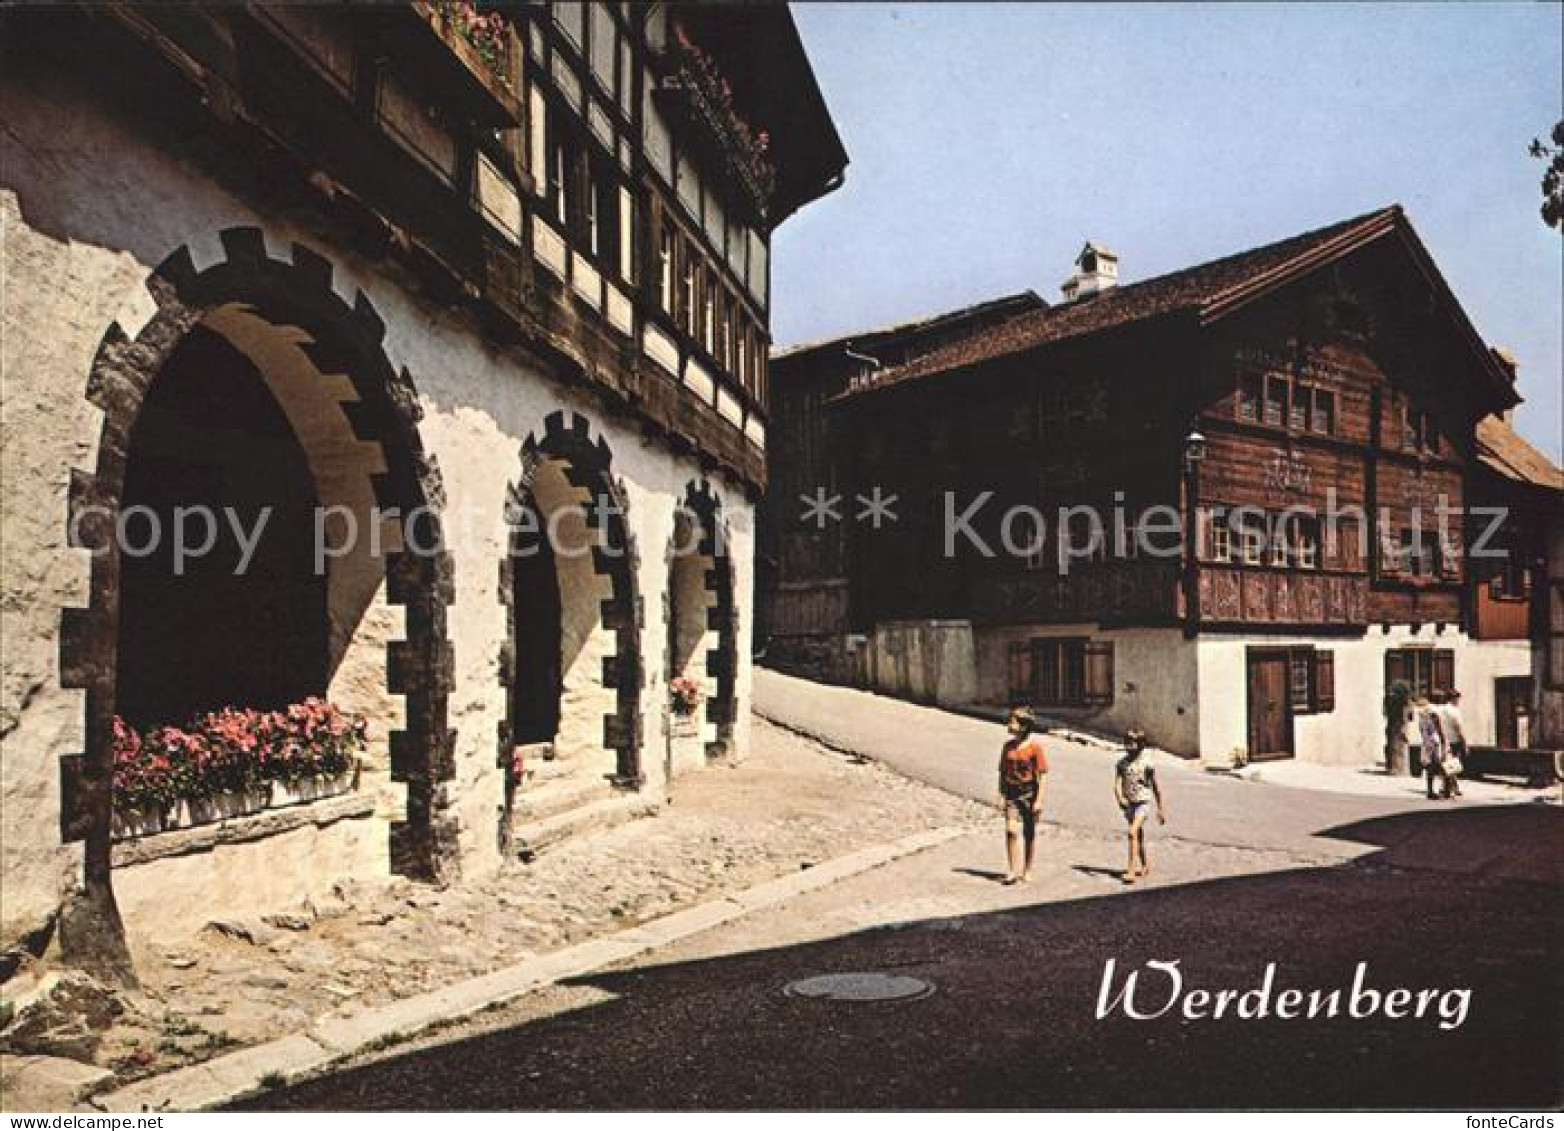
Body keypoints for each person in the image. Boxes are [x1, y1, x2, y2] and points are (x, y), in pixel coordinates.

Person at [996, 706, 1048, 885]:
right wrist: (1001, 794)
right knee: (1010, 830)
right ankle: (1012, 870)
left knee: (1029, 832)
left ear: (1024, 726)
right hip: (1012, 793)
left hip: (1029, 793)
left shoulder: (1035, 748)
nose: (1009, 724)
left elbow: (1042, 776)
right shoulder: (1007, 747)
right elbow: (1002, 772)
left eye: (1013, 721)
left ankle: (1028, 868)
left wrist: (1039, 800)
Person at [1113, 728, 1165, 884]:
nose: (1129, 745)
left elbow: (1156, 787)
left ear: (1141, 745)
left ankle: (1131, 870)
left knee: (1132, 832)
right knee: (1137, 837)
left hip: (1143, 803)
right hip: (1129, 804)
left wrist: (1160, 809)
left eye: (1133, 743)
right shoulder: (1121, 763)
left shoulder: (1147, 764)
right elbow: (1116, 784)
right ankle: (1145, 865)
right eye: (1127, 742)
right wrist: (1120, 798)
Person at [1432, 689, 1466, 799]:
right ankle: (1449, 788)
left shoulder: (1440, 709)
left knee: (1447, 764)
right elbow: (1459, 728)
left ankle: (1453, 787)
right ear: (1454, 699)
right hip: (1454, 740)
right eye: (1458, 699)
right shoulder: (1455, 711)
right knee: (1453, 765)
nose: (1458, 701)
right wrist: (1465, 742)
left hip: (1443, 740)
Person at [1416, 695, 1449, 800]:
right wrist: (1444, 741)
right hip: (1434, 743)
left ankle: (1431, 790)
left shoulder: (1422, 714)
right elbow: (1439, 728)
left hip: (1427, 743)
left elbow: (1422, 731)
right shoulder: (1433, 712)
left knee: (1431, 768)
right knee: (1442, 766)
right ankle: (1445, 790)